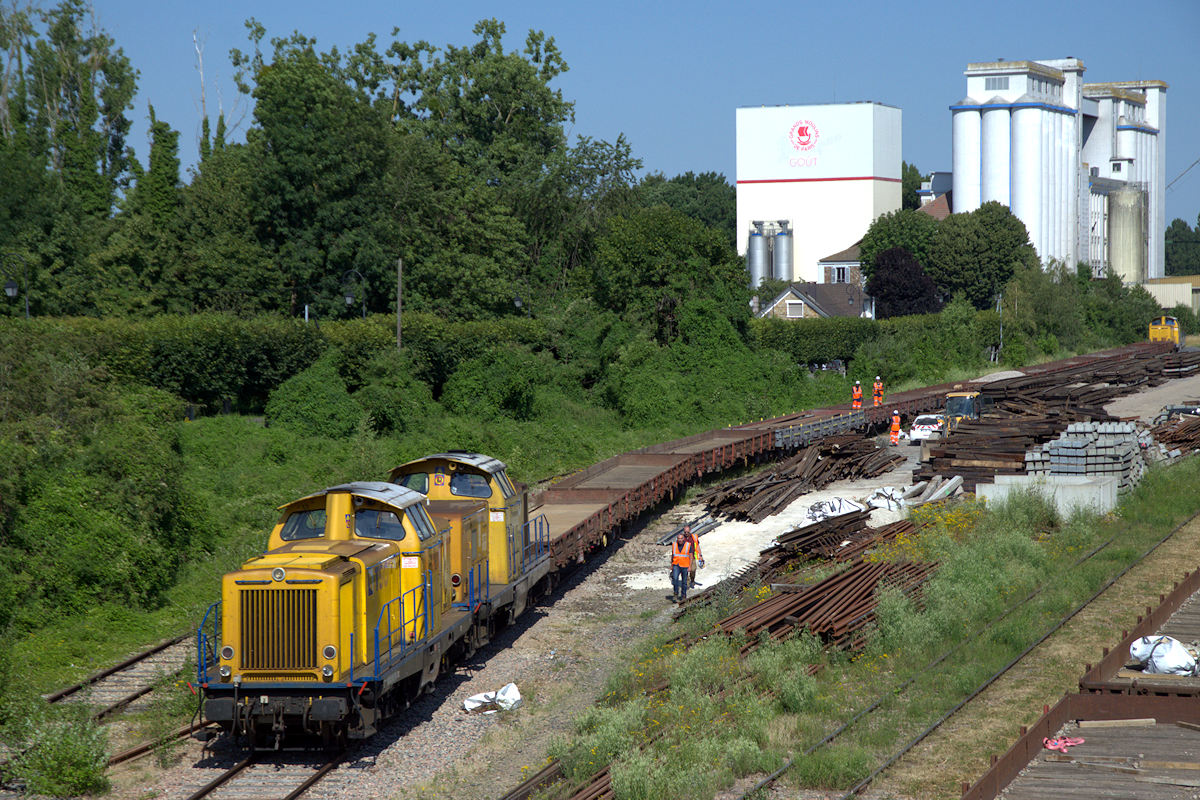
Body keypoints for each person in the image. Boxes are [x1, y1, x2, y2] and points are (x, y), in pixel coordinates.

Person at [670, 532, 694, 603]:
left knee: (684, 582)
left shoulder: (688, 545)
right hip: (676, 564)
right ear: (677, 539)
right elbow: (672, 555)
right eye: (678, 538)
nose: (680, 540)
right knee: (675, 578)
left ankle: (683, 595)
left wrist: (690, 566)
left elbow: (691, 557)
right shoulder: (674, 545)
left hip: (685, 565)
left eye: (681, 538)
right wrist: (671, 565)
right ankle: (676, 593)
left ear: (683, 539)